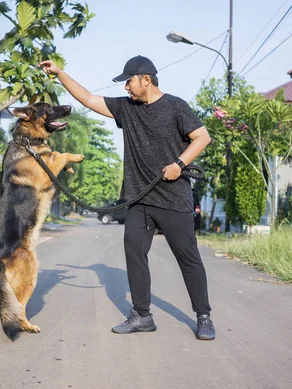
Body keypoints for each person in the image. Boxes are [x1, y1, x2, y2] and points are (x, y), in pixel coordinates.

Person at [39, 55, 215, 341]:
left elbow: (202, 137)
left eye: (129, 81)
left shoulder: (176, 107)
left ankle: (203, 316)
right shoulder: (127, 108)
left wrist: (179, 165)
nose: (126, 88)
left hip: (173, 198)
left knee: (188, 258)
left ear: (146, 79)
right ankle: (142, 315)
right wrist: (60, 73)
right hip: (139, 199)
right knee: (134, 253)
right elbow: (88, 98)